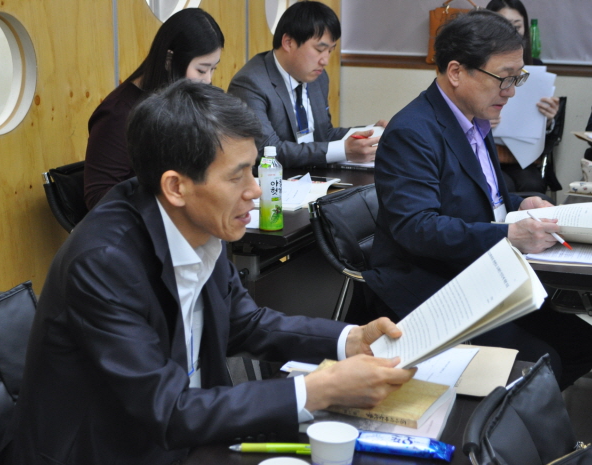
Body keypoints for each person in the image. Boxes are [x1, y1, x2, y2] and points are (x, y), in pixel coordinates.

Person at [0, 81, 415, 465]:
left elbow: (244, 322)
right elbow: (166, 410)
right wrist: (316, 390)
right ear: (176, 186)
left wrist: (349, 339)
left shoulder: (196, 221)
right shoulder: (103, 263)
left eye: (253, 168)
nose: (255, 189)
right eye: (237, 176)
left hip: (190, 435)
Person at [360, 9, 592, 389]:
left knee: (582, 343)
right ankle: (503, 420)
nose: (511, 91)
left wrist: (520, 204)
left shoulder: (474, 119)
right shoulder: (412, 132)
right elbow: (416, 228)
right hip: (435, 287)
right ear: (456, 72)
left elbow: (479, 197)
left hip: (481, 274)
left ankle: (520, 417)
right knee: (543, 360)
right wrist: (509, 235)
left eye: (517, 78)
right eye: (504, 78)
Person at [83, 8, 224, 210]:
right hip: (145, 221)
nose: (208, 80)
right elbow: (99, 198)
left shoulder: (182, 101)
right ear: (169, 60)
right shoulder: (119, 114)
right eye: (201, 70)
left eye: (213, 69)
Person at [228, 1, 387, 169]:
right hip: (276, 180)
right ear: (288, 42)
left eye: (330, 51)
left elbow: (323, 134)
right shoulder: (250, 83)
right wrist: (343, 150)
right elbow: (268, 151)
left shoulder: (318, 77)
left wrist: (372, 133)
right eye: (319, 50)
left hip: (314, 175)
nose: (325, 61)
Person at [486, 0, 560, 193]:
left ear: (525, 29)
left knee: (533, 185)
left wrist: (548, 118)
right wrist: (479, 121)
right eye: (503, 25)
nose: (510, 33)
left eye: (516, 26)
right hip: (483, 152)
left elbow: (543, 129)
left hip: (522, 156)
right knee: (503, 186)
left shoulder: (534, 66)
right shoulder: (478, 65)